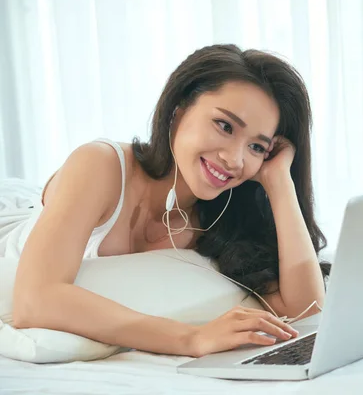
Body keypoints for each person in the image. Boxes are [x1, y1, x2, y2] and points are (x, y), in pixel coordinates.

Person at [9, 44, 331, 358]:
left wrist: (280, 183)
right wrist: (191, 338)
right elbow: (33, 301)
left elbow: (306, 310)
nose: (234, 160)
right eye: (225, 126)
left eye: (257, 148)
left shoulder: (225, 215)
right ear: (178, 112)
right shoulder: (100, 165)